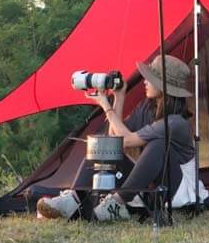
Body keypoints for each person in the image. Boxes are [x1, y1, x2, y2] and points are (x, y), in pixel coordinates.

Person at [36, 55, 195, 222]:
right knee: (104, 145)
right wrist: (119, 98)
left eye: (150, 78)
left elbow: (126, 141)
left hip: (177, 188)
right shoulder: (147, 109)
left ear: (164, 88)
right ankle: (73, 198)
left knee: (158, 145)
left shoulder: (176, 122)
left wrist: (105, 106)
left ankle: (117, 203)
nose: (144, 81)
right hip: (150, 184)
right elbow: (115, 139)